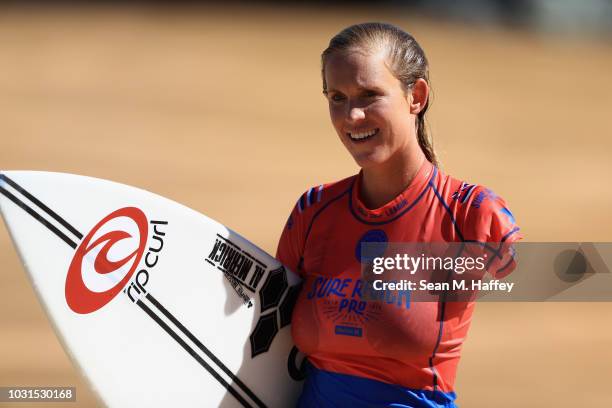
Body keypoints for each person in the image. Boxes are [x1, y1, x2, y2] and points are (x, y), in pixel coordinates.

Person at [276, 22, 521, 408]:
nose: (351, 116)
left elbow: (572, 274)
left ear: (416, 96)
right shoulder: (314, 211)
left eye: (370, 95)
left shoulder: (471, 213)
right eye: (336, 97)